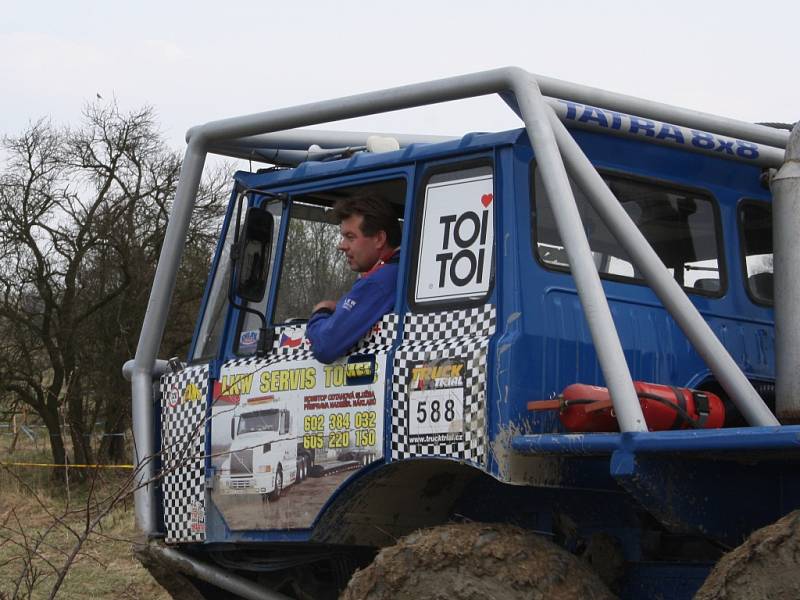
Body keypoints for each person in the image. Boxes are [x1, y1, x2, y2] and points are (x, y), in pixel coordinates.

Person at [306, 194, 401, 363]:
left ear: (379, 239)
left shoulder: (381, 281)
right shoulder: (398, 271)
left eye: (350, 237)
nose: (341, 245)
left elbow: (325, 345)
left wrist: (321, 313)